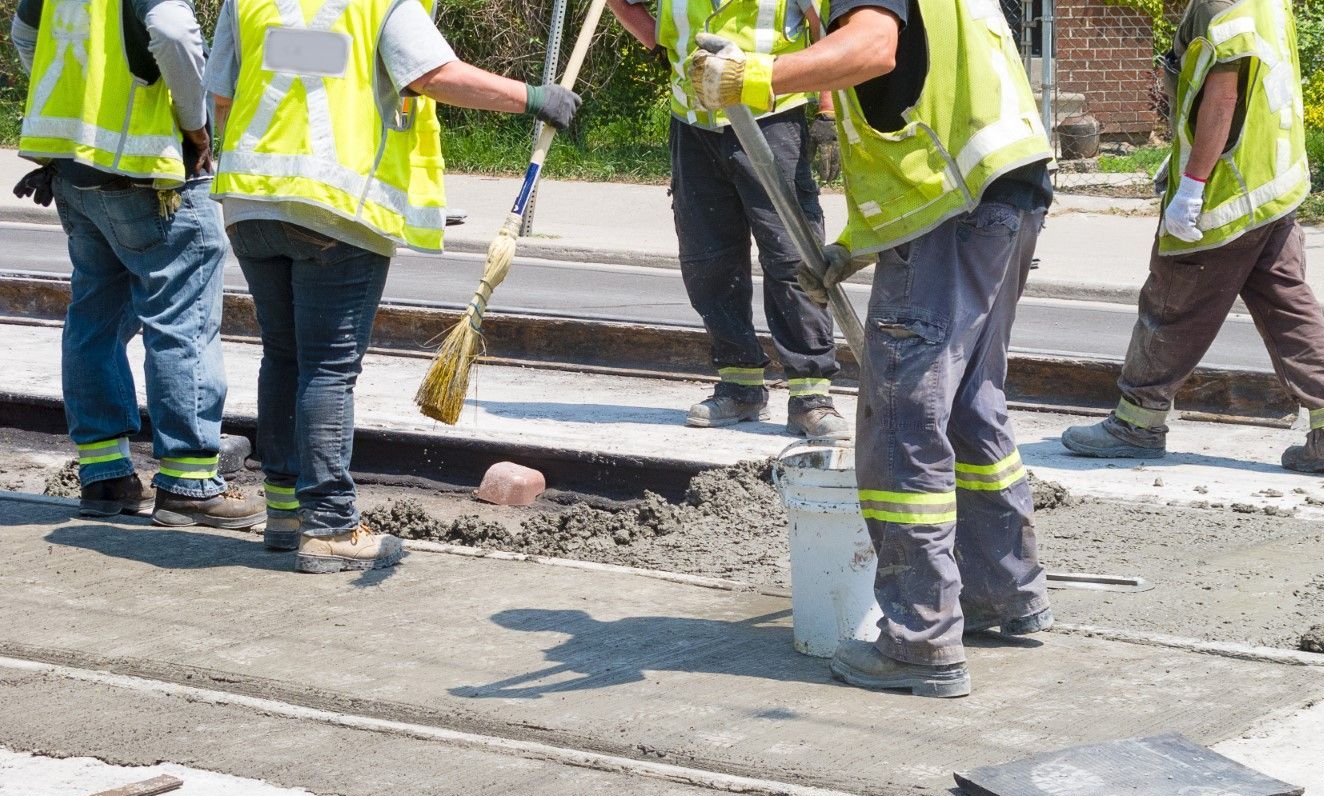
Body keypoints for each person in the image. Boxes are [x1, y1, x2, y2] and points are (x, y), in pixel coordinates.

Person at [690, 0, 1055, 698]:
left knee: (900, 420)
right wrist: (850, 248)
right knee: (970, 402)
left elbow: (876, 49)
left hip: (955, 214)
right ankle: (1003, 590)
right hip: (1005, 195)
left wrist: (759, 75)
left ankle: (920, 639)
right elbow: (925, 115)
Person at [205, 0, 579, 572]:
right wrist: (533, 97)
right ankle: (329, 525)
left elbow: (223, 96)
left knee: (283, 357)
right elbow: (434, 74)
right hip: (335, 208)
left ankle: (285, 511)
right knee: (328, 367)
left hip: (250, 200)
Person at [1061, 0, 1324, 474]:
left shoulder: (1217, 7)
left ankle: (1137, 424)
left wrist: (1192, 186)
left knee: (1172, 304)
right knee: (1288, 305)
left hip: (1224, 193)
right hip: (1271, 187)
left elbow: (1223, 99)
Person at [12, 0, 265, 526]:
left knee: (94, 320)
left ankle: (105, 476)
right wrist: (196, 125)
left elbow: (27, 36)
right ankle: (190, 484)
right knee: (182, 323)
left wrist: (71, 109)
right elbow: (173, 33)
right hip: (150, 173)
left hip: (76, 168)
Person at [607, 0, 848, 437]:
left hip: (771, 118)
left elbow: (827, 33)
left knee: (792, 257)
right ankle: (740, 387)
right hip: (694, 121)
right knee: (709, 259)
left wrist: (828, 110)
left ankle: (811, 395)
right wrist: (657, 43)